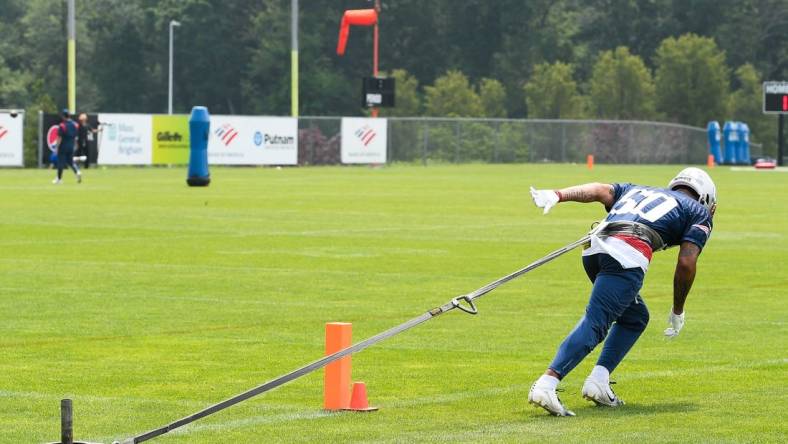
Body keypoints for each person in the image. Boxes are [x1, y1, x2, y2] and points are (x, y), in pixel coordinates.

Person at [526, 167, 716, 416]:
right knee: (597, 321)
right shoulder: (698, 211)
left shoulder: (638, 189)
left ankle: (599, 382)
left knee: (634, 317)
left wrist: (558, 194)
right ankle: (547, 383)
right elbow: (686, 263)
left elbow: (598, 190)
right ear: (706, 198)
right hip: (626, 253)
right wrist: (678, 308)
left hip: (594, 248)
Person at [53, 109, 82, 184]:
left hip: (63, 146)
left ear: (63, 116)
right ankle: (77, 172)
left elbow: (59, 138)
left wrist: (56, 148)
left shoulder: (62, 125)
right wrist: (76, 145)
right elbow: (76, 137)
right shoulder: (75, 125)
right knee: (71, 162)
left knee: (60, 163)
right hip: (71, 146)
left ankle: (59, 179)